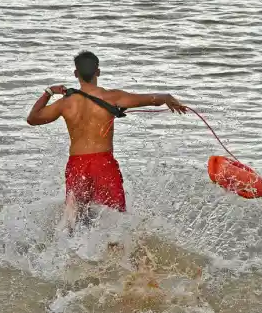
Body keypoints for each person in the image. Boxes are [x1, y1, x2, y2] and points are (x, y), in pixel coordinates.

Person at [26, 51, 186, 229]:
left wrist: (49, 92)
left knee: (75, 221)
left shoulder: (65, 103)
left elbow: (33, 119)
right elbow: (151, 99)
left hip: (77, 165)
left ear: (75, 74)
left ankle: (74, 255)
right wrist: (168, 98)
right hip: (103, 164)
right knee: (116, 221)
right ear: (98, 72)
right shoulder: (112, 97)